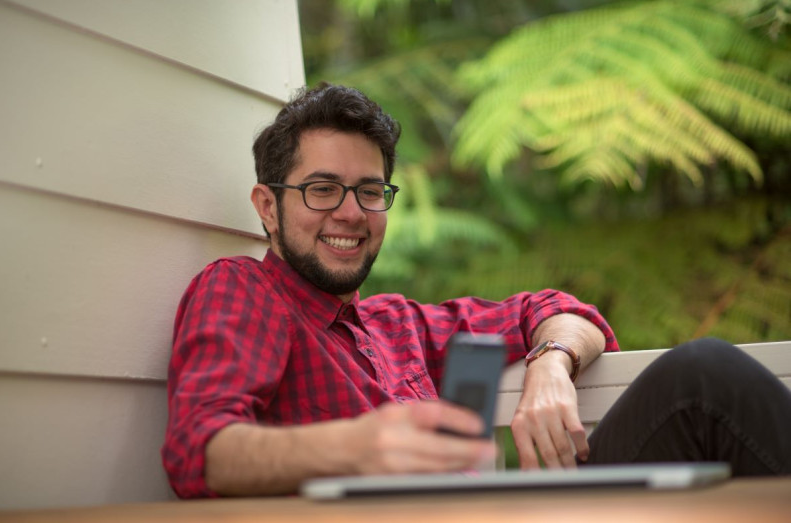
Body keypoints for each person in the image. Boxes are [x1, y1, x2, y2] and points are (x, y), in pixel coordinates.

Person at [162, 83, 791, 499]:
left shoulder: (398, 324)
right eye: (322, 189)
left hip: (502, 511)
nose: (351, 213)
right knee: (703, 379)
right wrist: (359, 446)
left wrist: (551, 364)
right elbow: (199, 453)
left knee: (700, 374)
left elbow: (558, 310)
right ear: (267, 207)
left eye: (370, 191)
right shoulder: (244, 288)